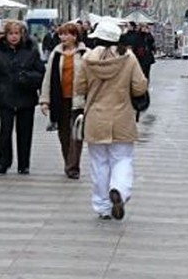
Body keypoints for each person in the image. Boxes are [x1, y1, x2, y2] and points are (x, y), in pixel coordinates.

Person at [74, 19, 148, 221]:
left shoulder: (88, 58)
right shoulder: (128, 57)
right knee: (122, 159)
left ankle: (102, 206)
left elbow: (79, 87)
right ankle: (119, 190)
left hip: (96, 118)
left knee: (99, 163)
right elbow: (140, 87)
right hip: (122, 116)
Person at [0, 20, 45, 175]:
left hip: (25, 97)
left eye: (17, 33)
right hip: (5, 97)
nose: (13, 37)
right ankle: (4, 161)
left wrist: (28, 77)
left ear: (22, 35)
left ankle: (24, 163)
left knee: (25, 132)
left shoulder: (31, 51)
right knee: (5, 132)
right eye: (10, 33)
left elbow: (41, 73)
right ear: (6, 35)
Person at [39, 21, 87, 179]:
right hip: (60, 99)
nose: (63, 37)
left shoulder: (85, 53)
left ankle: (73, 167)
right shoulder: (56, 53)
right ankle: (69, 162)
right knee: (64, 135)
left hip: (79, 100)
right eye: (61, 34)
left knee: (76, 135)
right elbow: (48, 78)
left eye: (67, 34)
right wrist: (45, 100)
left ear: (75, 36)